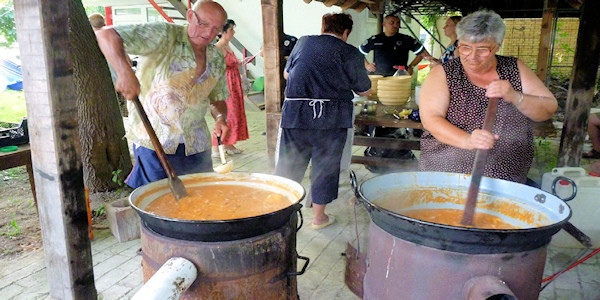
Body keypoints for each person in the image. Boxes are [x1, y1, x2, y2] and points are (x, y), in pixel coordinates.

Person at [95, 0, 230, 188]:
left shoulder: (216, 58)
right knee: (157, 202)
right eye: (203, 24)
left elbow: (217, 98)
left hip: (197, 145)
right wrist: (124, 72)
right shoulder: (164, 35)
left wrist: (221, 118)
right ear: (190, 16)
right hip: (155, 141)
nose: (208, 33)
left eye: (216, 29)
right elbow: (106, 34)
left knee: (200, 197)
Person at [418, 10, 558, 184]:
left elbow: (548, 109)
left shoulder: (514, 68)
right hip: (448, 172)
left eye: (482, 49)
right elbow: (431, 119)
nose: (472, 57)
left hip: (507, 174)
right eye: (465, 47)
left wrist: (515, 96)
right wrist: (468, 140)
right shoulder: (444, 73)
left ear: (498, 46)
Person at [275, 13, 371, 229]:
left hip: (296, 114)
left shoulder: (303, 42)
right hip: (331, 118)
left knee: (290, 164)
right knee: (325, 167)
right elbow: (364, 89)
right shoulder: (350, 52)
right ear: (346, 32)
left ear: (323, 27)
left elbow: (286, 74)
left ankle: (279, 214)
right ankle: (318, 218)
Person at [210, 19, 249, 156]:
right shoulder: (217, 48)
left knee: (235, 114)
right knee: (227, 115)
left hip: (234, 83)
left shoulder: (228, 46)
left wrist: (238, 63)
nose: (234, 32)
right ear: (222, 32)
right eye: (231, 30)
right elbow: (214, 68)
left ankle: (228, 143)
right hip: (225, 85)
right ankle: (216, 147)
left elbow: (230, 63)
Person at [359, 14, 434, 76]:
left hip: (400, 77)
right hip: (379, 77)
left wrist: (411, 66)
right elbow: (359, 53)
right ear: (384, 24)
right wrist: (367, 65)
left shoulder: (406, 39)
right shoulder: (375, 39)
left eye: (397, 23)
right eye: (392, 23)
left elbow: (422, 53)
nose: (395, 25)